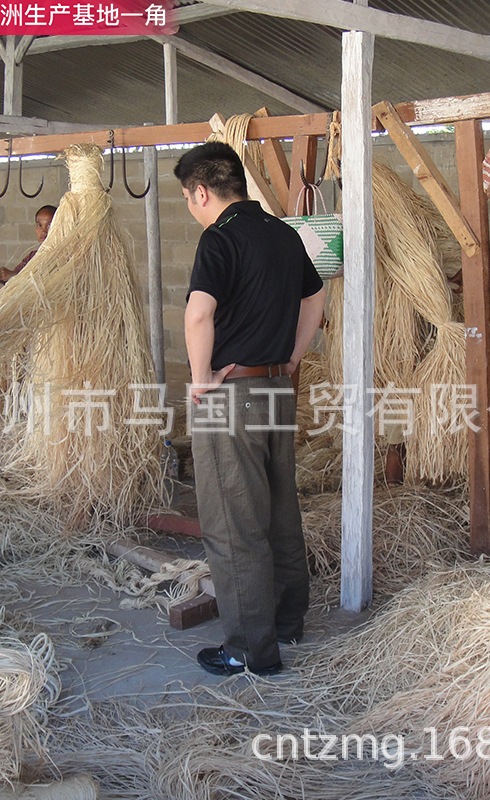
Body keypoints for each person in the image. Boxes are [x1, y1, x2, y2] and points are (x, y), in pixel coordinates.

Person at [175, 142, 326, 677]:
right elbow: (316, 297)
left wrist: (201, 382)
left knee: (232, 521)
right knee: (280, 508)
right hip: (274, 389)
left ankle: (249, 648)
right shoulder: (284, 234)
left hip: (228, 395)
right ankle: (287, 620)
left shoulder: (219, 239)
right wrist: (292, 357)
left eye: (188, 199)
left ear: (201, 191)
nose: (191, 209)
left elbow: (199, 316)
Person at [0, 204, 56, 283]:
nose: (43, 231)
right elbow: (15, 275)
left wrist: (13, 277)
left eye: (49, 225)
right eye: (39, 225)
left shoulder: (62, 257)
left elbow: (46, 283)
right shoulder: (32, 256)